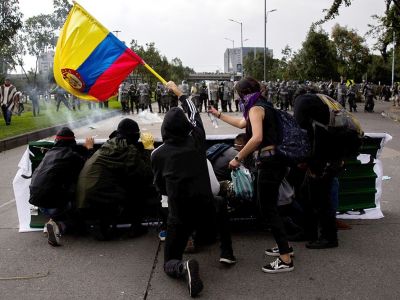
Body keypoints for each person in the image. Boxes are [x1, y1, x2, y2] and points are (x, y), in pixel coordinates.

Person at [151, 81, 235, 298]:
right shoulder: (197, 142)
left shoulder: (157, 155)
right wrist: (179, 93)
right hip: (206, 210)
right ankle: (227, 252)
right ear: (186, 128)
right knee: (220, 203)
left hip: (180, 216)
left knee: (169, 260)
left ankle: (182, 267)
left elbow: (160, 187)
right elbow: (194, 112)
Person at [209, 77, 294, 273]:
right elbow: (242, 124)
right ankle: (285, 247)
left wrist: (238, 158)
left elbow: (256, 138)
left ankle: (285, 259)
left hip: (270, 163)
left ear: (243, 94)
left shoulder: (256, 108)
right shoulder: (262, 104)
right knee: (270, 207)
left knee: (268, 209)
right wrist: (218, 114)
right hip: (277, 161)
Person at [76, 119, 155, 240]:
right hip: (97, 199)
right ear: (134, 135)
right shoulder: (128, 149)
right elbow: (146, 173)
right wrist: (148, 149)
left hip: (82, 199)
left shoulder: (108, 144)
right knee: (137, 188)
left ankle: (101, 226)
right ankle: (136, 228)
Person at [29, 127, 94, 246]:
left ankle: (51, 221)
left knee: (57, 196)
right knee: (79, 201)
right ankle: (59, 226)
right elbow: (89, 165)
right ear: (72, 142)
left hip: (38, 204)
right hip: (54, 204)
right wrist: (89, 148)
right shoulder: (70, 155)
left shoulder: (49, 153)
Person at [293, 91, 342, 249]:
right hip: (331, 155)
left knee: (320, 199)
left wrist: (303, 159)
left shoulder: (302, 102)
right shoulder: (323, 102)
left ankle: (329, 238)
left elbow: (301, 133)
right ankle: (309, 231)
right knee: (307, 194)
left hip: (322, 159)